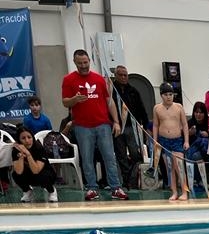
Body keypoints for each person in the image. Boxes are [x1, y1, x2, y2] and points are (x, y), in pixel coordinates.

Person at [61, 49, 128, 201]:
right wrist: (74, 100)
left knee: (109, 157)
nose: (83, 66)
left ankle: (116, 187)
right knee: (87, 158)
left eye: (85, 62)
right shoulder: (68, 80)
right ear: (74, 62)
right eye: (80, 63)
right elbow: (65, 102)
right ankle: (92, 188)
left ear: (89, 61)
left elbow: (109, 101)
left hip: (103, 124)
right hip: (82, 126)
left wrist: (116, 121)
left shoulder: (98, 79)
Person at [153, 82, 189, 201]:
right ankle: (174, 192)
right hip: (164, 141)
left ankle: (184, 192)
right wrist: (155, 141)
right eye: (166, 95)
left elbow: (185, 124)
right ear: (161, 95)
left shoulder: (179, 107)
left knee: (179, 167)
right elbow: (155, 125)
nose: (168, 97)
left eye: (170, 94)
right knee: (170, 168)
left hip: (177, 140)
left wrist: (186, 141)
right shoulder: (157, 108)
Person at [11, 126, 58, 203]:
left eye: (29, 137)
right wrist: (21, 156)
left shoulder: (39, 148)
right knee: (15, 175)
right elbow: (19, 172)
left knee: (44, 176)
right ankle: (27, 191)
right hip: (29, 174)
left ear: (32, 137)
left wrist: (28, 154)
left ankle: (51, 191)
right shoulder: (16, 150)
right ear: (19, 140)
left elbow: (36, 170)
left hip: (43, 173)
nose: (27, 140)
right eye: (23, 138)